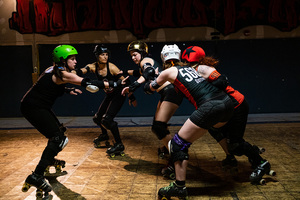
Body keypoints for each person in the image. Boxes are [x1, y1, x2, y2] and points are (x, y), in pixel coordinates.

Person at [20, 45, 122, 197]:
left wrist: (68, 90)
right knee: (57, 138)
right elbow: (88, 83)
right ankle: (36, 175)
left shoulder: (52, 70)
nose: (75, 62)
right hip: (33, 108)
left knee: (59, 135)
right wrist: (115, 84)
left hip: (35, 105)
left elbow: (46, 86)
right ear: (62, 60)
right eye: (72, 59)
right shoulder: (62, 74)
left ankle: (47, 160)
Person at [144, 44, 234, 199]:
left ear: (163, 58)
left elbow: (150, 88)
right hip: (227, 103)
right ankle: (237, 152)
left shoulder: (167, 72)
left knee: (178, 144)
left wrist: (150, 79)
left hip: (210, 105)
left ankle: (179, 187)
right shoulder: (195, 68)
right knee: (214, 128)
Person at [181, 45, 273, 184]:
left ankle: (261, 162)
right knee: (212, 127)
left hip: (236, 105)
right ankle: (234, 155)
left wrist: (208, 89)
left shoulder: (201, 68)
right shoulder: (191, 70)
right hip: (223, 107)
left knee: (235, 144)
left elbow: (222, 80)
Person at [121, 41, 184, 158]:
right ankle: (168, 148)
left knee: (158, 127)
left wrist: (133, 86)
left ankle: (178, 155)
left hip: (170, 92)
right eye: (131, 56)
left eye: (135, 54)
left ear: (142, 53)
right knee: (159, 125)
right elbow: (138, 72)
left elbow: (148, 71)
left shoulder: (145, 61)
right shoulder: (146, 63)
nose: (133, 58)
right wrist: (123, 72)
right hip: (167, 92)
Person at [72, 44, 136, 156]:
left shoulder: (112, 67)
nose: (105, 57)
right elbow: (80, 71)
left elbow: (126, 82)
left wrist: (131, 96)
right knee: (97, 118)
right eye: (102, 55)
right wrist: (70, 72)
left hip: (119, 94)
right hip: (110, 95)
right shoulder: (92, 67)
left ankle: (119, 144)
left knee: (107, 120)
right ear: (97, 56)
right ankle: (105, 135)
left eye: (106, 55)